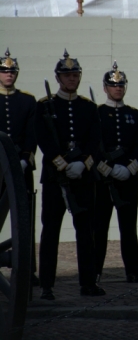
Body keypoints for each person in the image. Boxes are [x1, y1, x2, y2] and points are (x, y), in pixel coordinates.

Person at [36, 50, 104, 299]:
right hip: (56, 176)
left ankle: (88, 282)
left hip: (83, 176)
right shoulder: (45, 106)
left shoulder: (88, 107)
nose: (71, 79)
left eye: (75, 75)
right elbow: (43, 139)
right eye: (67, 76)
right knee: (51, 230)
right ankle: (46, 285)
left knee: (86, 232)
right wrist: (63, 164)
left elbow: (95, 140)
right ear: (58, 78)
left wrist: (84, 163)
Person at [93, 61, 138, 283]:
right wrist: (107, 169)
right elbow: (93, 146)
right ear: (105, 88)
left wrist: (130, 168)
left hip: (128, 179)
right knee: (99, 228)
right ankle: (95, 271)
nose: (118, 89)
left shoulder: (135, 115)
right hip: (103, 180)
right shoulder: (96, 113)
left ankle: (133, 270)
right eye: (113, 85)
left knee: (128, 228)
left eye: (121, 85)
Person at [0, 48, 39, 285]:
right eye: (4, 71)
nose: (8, 75)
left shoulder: (27, 101)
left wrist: (25, 158)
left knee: (24, 221)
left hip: (20, 165)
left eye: (12, 71)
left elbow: (31, 135)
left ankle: (26, 269)